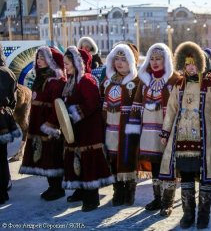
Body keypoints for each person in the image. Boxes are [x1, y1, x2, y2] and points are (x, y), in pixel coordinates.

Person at [159, 41, 211, 229]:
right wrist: (165, 132)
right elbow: (171, 111)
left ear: (200, 63)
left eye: (193, 63)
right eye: (186, 64)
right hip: (182, 140)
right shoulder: (178, 85)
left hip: (205, 139)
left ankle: (203, 215)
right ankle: (188, 214)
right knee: (187, 177)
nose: (189, 68)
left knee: (206, 178)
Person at [129, 43, 181, 216]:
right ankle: (157, 198)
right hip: (149, 132)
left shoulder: (175, 80)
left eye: (158, 58)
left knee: (168, 165)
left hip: (168, 129)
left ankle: (168, 201)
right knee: (154, 165)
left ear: (166, 59)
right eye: (151, 58)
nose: (154, 62)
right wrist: (134, 130)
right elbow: (136, 105)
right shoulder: (144, 80)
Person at [62, 46, 114, 212]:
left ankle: (92, 198)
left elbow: (92, 104)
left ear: (77, 63)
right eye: (64, 63)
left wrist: (72, 114)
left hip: (89, 130)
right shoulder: (71, 81)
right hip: (77, 129)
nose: (65, 67)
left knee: (89, 162)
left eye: (68, 63)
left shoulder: (87, 80)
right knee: (78, 160)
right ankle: (81, 191)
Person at [19, 46, 66, 201]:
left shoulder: (56, 80)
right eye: (38, 58)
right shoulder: (40, 77)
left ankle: (57, 188)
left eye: (43, 58)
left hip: (48, 125)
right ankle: (51, 186)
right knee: (44, 157)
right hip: (38, 123)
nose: (39, 61)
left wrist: (50, 125)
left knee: (52, 156)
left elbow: (58, 106)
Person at [101, 44, 140, 207]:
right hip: (110, 127)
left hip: (128, 129)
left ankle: (130, 191)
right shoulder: (108, 81)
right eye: (116, 58)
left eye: (124, 59)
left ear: (131, 61)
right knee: (112, 158)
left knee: (128, 158)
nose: (119, 62)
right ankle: (118, 190)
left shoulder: (137, 81)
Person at [0, 45, 21, 204]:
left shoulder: (4, 73)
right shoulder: (8, 73)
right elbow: (13, 100)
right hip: (3, 120)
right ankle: (4, 186)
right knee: (2, 156)